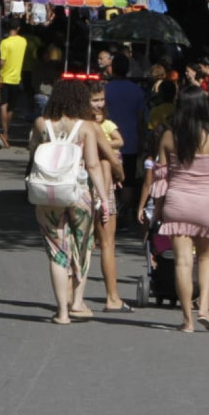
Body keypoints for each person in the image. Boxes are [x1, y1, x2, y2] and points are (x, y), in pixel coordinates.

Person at [152, 85, 209, 332]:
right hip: (206, 203)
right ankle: (203, 308)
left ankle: (187, 320)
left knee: (182, 262)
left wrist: (157, 209)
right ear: (204, 106)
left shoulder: (169, 136)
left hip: (177, 203)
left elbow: (161, 177)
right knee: (206, 258)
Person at [28, 80, 109, 324]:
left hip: (48, 192)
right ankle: (77, 302)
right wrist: (104, 199)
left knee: (57, 252)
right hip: (79, 191)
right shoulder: (86, 127)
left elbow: (33, 153)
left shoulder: (41, 124)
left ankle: (61, 312)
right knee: (82, 246)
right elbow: (93, 164)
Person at [88, 80, 130, 312]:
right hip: (102, 190)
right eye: (95, 100)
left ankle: (74, 298)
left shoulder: (77, 125)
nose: (99, 105)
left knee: (82, 243)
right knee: (107, 244)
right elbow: (113, 159)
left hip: (80, 189)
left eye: (101, 100)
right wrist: (119, 172)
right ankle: (112, 297)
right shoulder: (93, 127)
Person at [105, 52, 147, 217]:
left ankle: (111, 211)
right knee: (128, 179)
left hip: (108, 140)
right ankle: (124, 213)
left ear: (112, 68)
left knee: (109, 177)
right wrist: (142, 139)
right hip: (130, 140)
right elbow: (141, 117)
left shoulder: (106, 89)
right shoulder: (136, 90)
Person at [0, 19, 27, 146]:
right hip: (16, 78)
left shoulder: (4, 43)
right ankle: (6, 130)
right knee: (11, 106)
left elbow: (2, 61)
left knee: (3, 104)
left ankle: (4, 132)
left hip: (3, 77)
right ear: (19, 28)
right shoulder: (23, 41)